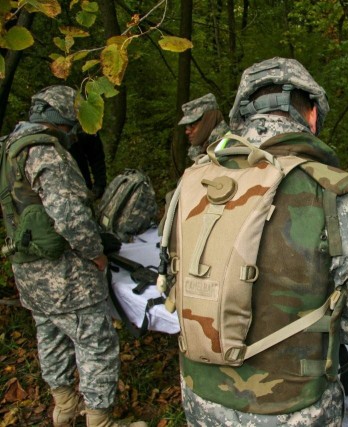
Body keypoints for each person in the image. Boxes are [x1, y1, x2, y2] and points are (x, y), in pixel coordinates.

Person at [179, 57, 348, 426]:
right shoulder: (334, 191)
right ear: (311, 113)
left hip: (202, 396)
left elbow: (176, 282)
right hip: (290, 407)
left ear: (241, 113)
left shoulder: (195, 181)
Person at [0, 85, 146, 427]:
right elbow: (69, 213)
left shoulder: (9, 148)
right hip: (66, 276)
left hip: (29, 270)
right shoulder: (45, 152)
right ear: (64, 119)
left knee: (49, 336)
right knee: (95, 343)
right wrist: (95, 253)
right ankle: (99, 419)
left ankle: (64, 408)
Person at [178, 93, 230, 162]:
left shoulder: (231, 148)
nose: (187, 131)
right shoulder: (203, 149)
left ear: (209, 121)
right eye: (186, 126)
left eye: (192, 125)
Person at [68, 130, 107, 200]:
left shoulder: (85, 125)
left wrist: (100, 183)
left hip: (81, 189)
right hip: (49, 190)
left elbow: (96, 156)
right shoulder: (43, 124)